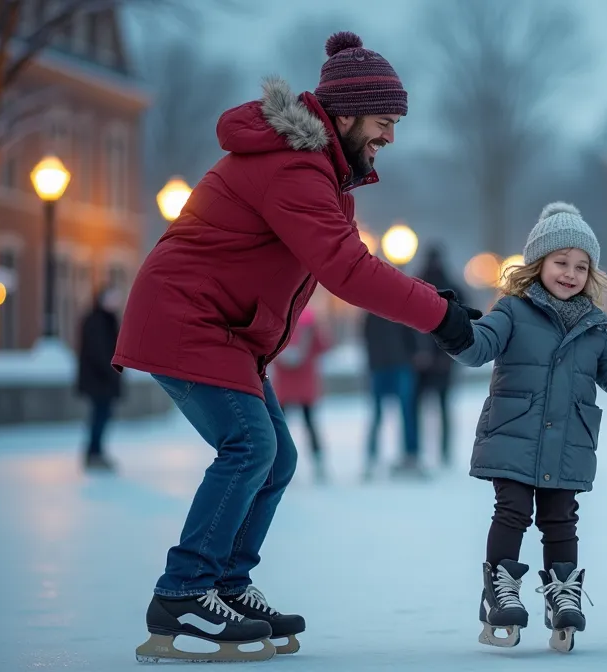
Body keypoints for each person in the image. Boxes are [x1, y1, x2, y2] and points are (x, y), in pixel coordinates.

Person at [114, 32, 481, 663]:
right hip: (187, 320)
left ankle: (224, 584)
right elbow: (345, 270)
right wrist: (439, 316)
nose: (390, 137)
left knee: (276, 457)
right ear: (344, 115)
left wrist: (433, 298)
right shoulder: (293, 165)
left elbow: (353, 262)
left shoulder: (325, 174)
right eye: (384, 122)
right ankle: (184, 591)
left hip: (223, 332)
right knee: (250, 445)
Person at [449, 202, 607, 653]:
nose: (571, 273)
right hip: (515, 435)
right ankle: (500, 590)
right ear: (539, 263)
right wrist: (452, 329)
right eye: (561, 262)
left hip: (569, 442)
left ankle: (563, 593)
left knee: (561, 520)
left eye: (581, 266)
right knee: (513, 511)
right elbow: (478, 346)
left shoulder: (596, 325)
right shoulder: (511, 311)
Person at [414, 246, 465, 467]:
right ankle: (444, 453)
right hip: (446, 357)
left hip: (421, 359)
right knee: (443, 408)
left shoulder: (418, 284)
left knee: (417, 408)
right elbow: (465, 321)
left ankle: (416, 451)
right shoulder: (453, 287)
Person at [270, 306, 332, 482]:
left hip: (284, 387)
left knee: (279, 429)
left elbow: (267, 352)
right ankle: (319, 462)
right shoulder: (311, 325)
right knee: (310, 425)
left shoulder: (280, 324)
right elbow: (325, 347)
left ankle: (277, 464)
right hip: (306, 386)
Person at [362, 311, 421, 479]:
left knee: (406, 412)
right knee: (379, 413)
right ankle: (372, 458)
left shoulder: (388, 306)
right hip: (384, 365)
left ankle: (410, 456)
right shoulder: (372, 312)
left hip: (397, 364)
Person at [76, 286, 124, 472]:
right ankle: (94, 453)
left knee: (102, 416)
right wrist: (111, 370)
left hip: (102, 381)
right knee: (99, 416)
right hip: (99, 381)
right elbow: (99, 352)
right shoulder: (97, 321)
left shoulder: (107, 320)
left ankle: (96, 451)